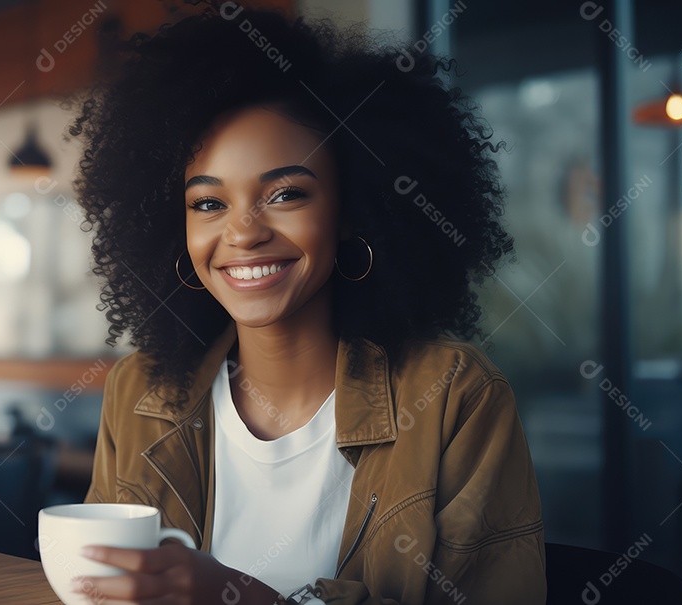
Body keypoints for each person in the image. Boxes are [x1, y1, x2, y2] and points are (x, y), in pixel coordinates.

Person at [71, 7, 545, 605]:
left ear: (351, 211)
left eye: (286, 194)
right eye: (208, 204)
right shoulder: (139, 391)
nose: (243, 233)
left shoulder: (454, 397)